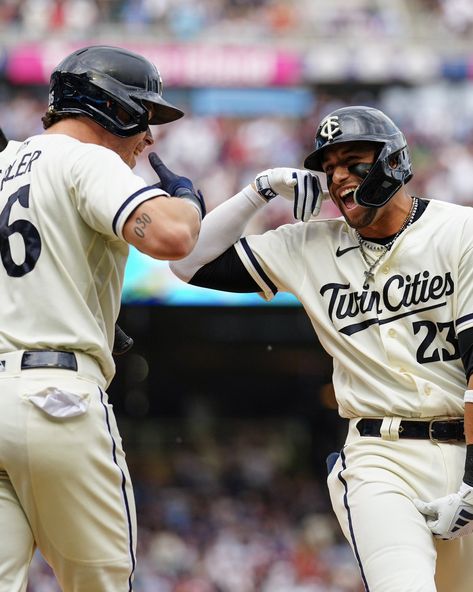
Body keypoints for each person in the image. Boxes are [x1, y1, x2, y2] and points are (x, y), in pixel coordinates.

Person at [169, 105, 473, 591]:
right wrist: (261, 189)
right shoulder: (307, 244)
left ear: (394, 162)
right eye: (329, 168)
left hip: (466, 447)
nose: (338, 178)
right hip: (380, 456)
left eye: (354, 162)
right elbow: (187, 264)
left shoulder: (460, 230)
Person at [0, 45, 205, 592]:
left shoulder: (5, 165)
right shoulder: (88, 158)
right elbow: (173, 237)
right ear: (114, 108)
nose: (150, 138)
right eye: (146, 116)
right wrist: (186, 198)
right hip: (57, 398)